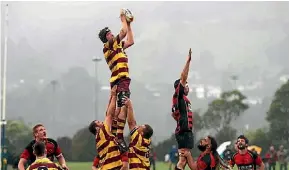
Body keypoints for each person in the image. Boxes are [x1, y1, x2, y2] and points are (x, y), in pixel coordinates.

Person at [88, 85, 128, 170]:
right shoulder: (102, 132)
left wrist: (115, 100)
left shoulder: (103, 138)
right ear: (97, 128)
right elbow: (109, 115)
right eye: (98, 122)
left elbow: (112, 114)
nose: (101, 122)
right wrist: (114, 95)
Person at [171, 48, 193, 170]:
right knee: (183, 160)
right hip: (184, 132)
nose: (188, 87)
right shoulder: (179, 95)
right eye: (186, 85)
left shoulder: (181, 99)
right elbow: (183, 77)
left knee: (183, 161)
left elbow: (174, 115)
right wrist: (188, 61)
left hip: (184, 131)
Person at [123, 96, 154, 170]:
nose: (139, 126)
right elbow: (134, 124)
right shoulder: (147, 140)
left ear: (142, 133)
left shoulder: (138, 140)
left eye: (141, 127)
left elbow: (131, 123)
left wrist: (130, 105)